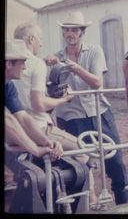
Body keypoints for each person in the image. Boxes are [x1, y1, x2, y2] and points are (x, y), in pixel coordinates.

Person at [45, 11, 128, 205]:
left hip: (99, 112)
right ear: (63, 33)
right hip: (71, 117)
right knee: (79, 167)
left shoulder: (95, 51)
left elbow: (97, 82)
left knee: (115, 161)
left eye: (75, 30)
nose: (70, 34)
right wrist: (50, 67)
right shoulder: (55, 58)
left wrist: (74, 68)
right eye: (67, 30)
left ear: (83, 32)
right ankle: (83, 206)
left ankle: (124, 205)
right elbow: (50, 89)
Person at [12, 21, 97, 204]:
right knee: (86, 149)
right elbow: (38, 104)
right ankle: (89, 199)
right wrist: (63, 99)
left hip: (14, 131)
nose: (41, 43)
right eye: (40, 39)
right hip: (38, 127)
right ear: (31, 39)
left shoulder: (11, 65)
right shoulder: (36, 64)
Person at [5, 39, 63, 161]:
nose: (25, 67)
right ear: (9, 64)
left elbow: (23, 118)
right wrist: (35, 149)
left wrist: (47, 142)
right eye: (22, 63)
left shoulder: (9, 86)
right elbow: (8, 120)